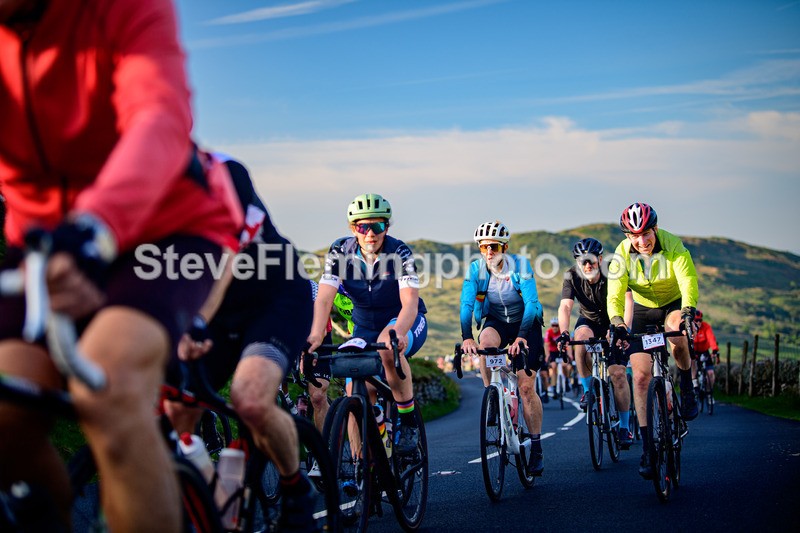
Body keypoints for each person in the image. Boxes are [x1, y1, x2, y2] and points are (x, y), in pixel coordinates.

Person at [0, 1, 242, 530]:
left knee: (106, 384)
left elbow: (157, 114)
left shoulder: (122, 7)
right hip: (44, 240)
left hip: (169, 227)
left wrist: (96, 226)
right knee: (7, 418)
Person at [165, 158, 316, 530]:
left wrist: (194, 322)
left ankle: (296, 489)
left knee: (248, 399)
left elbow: (225, 259)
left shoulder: (223, 176)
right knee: (174, 409)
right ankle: (213, 504)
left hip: (274, 300)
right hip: (215, 312)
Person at [307, 193, 428, 455]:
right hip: (364, 326)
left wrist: (399, 331)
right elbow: (325, 299)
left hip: (405, 319)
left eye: (378, 226)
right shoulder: (340, 251)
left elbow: (410, 303)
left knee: (387, 348)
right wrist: (316, 335)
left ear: (387, 227)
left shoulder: (399, 251)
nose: (370, 233)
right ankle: (364, 463)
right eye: (363, 226)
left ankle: (408, 421)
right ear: (354, 229)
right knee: (356, 390)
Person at [607, 202, 700, 480]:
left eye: (646, 233)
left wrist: (688, 311)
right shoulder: (621, 255)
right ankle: (648, 449)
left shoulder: (672, 245)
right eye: (635, 236)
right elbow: (614, 292)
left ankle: (686, 382)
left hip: (674, 303)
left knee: (676, 331)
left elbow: (688, 279)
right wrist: (617, 321)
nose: (642, 240)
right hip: (644, 310)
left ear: (655, 229)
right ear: (627, 237)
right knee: (640, 378)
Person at [459, 221, 546, 476]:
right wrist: (467, 337)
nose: (489, 252)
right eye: (484, 247)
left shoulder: (520, 266)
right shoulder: (476, 270)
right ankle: (493, 397)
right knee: (485, 345)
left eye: (494, 246)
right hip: (497, 321)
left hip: (526, 323)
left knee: (526, 387)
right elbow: (466, 303)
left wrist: (521, 338)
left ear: (505, 247)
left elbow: (531, 303)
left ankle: (537, 448)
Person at [557, 238, 635, 448]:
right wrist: (564, 333)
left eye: (591, 260)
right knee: (580, 339)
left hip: (614, 319)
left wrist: (624, 329)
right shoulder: (572, 276)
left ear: (600, 259)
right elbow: (565, 307)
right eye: (583, 262)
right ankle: (587, 389)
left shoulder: (614, 272)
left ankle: (625, 427)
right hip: (589, 321)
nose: (588, 265)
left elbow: (628, 301)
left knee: (618, 374)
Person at [692, 309, 719, 391]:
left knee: (710, 373)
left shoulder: (706, 327)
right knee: (692, 362)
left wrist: (714, 349)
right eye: (696, 321)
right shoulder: (690, 328)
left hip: (704, 351)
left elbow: (711, 339)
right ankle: (694, 381)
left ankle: (709, 392)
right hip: (694, 351)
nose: (699, 323)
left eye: (700, 320)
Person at [544, 317, 571, 399]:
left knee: (564, 365)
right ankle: (554, 387)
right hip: (553, 352)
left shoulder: (561, 332)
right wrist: (547, 355)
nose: (555, 327)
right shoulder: (548, 332)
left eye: (556, 325)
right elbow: (546, 345)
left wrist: (570, 355)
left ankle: (566, 380)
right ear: (551, 326)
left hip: (562, 350)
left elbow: (568, 345)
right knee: (554, 367)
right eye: (553, 325)